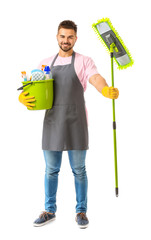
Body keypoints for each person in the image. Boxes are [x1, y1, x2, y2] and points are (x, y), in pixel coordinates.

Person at [18, 20, 119, 229]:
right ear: (57, 37)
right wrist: (23, 98)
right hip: (53, 122)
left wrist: (105, 90)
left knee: (79, 170)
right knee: (50, 170)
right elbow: (33, 87)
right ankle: (49, 211)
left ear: (76, 38)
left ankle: (81, 212)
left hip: (76, 121)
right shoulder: (45, 63)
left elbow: (96, 78)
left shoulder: (84, 61)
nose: (66, 40)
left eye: (70, 37)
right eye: (62, 36)